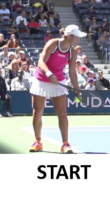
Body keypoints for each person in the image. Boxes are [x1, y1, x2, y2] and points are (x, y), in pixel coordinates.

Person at [29, 25, 87, 154]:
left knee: (62, 113)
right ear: (69, 36)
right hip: (41, 79)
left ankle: (65, 144)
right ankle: (37, 142)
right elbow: (41, 62)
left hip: (58, 81)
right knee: (37, 111)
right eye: (77, 37)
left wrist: (77, 89)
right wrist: (49, 74)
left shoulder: (72, 51)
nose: (78, 40)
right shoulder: (52, 44)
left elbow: (72, 72)